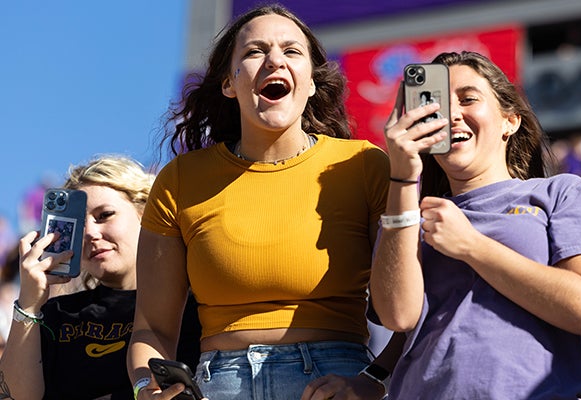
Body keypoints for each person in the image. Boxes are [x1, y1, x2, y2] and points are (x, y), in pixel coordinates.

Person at [126, 4, 396, 400]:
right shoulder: (180, 179)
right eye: (254, 52)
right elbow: (152, 329)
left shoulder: (365, 164)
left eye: (291, 51)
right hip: (217, 385)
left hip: (335, 383)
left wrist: (373, 381)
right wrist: (144, 389)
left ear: (312, 82)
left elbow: (415, 308)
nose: (274, 60)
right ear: (228, 84)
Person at [370, 50, 581, 399]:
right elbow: (399, 318)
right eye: (436, 104)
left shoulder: (561, 191)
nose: (452, 115)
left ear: (511, 120)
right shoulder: (405, 216)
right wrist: (402, 177)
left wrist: (472, 246)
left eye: (468, 99)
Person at [0, 155, 201, 400]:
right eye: (78, 226)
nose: (91, 233)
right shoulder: (57, 315)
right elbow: (17, 396)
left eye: (104, 215)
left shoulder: (195, 305)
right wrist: (29, 304)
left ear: (145, 213)